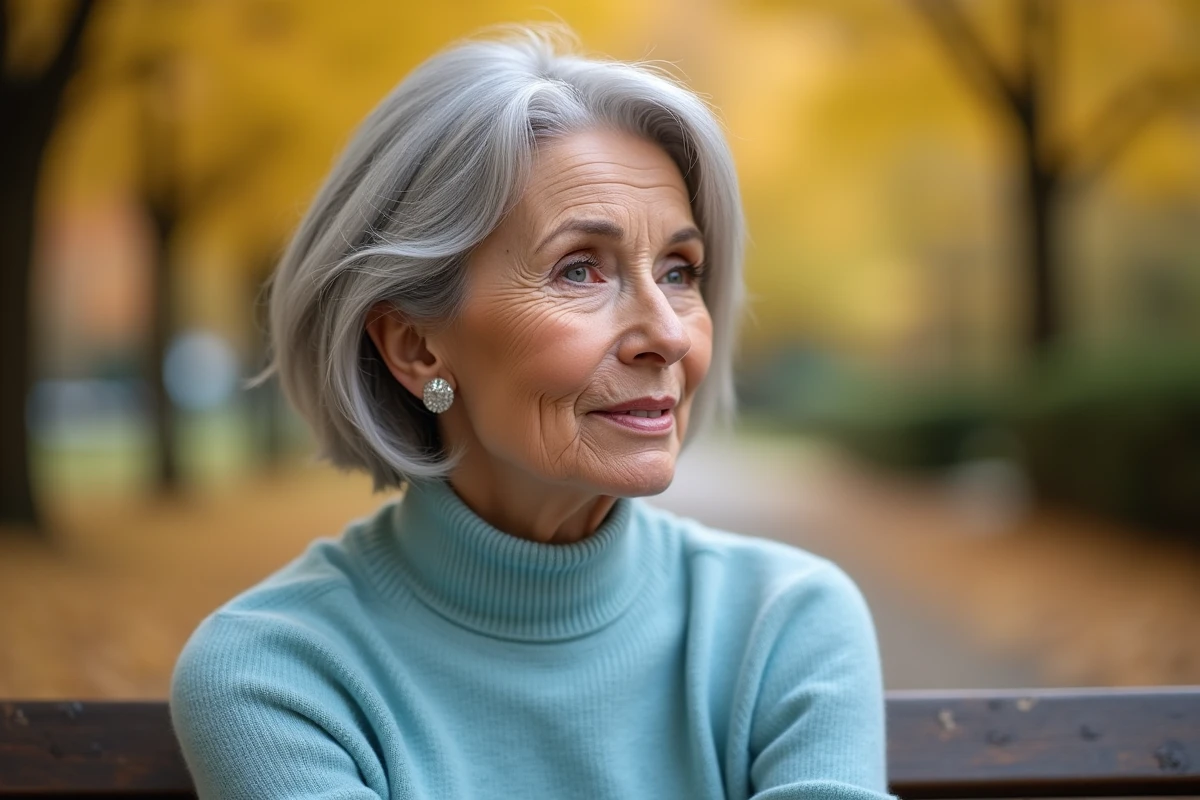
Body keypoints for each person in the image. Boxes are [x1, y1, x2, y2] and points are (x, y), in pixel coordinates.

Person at [169, 24, 890, 800]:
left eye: (681, 271)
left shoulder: (783, 625)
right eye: (580, 269)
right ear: (415, 347)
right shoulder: (279, 674)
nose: (669, 334)